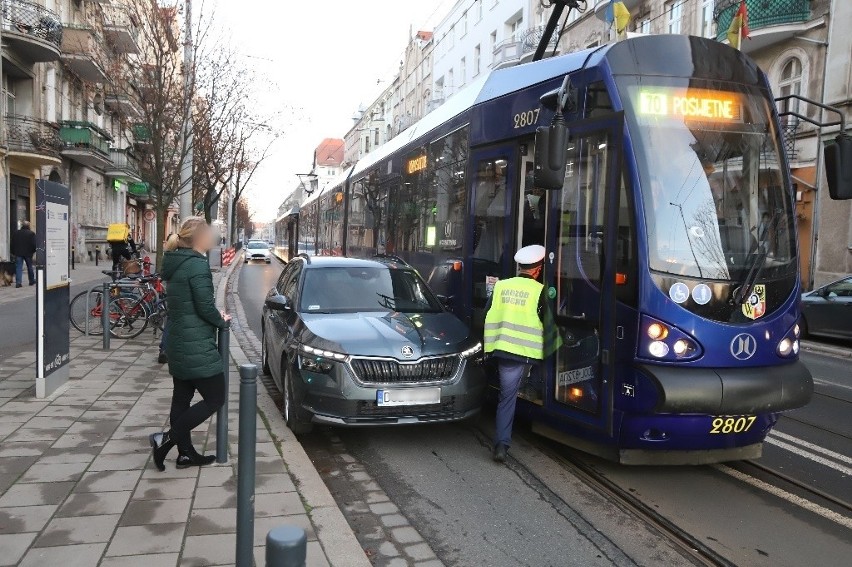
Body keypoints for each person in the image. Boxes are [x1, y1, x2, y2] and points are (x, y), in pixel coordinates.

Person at [149, 218, 231, 470]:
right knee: (216, 398)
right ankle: (165, 440)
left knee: (181, 398)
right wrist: (221, 321)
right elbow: (205, 306)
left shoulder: (176, 262)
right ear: (198, 238)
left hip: (178, 341)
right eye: (208, 234)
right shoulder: (196, 265)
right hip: (196, 344)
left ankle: (185, 454)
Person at [483, 244, 560, 463]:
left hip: (503, 350)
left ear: (521, 267)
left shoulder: (501, 286)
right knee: (550, 358)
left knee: (506, 399)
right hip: (527, 352)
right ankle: (532, 386)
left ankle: (501, 445)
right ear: (538, 269)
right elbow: (549, 328)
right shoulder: (539, 290)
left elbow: (488, 312)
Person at [10, 220, 37, 288]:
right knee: (29, 267)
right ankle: (31, 281)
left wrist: (13, 252)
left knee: (18, 267)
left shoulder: (16, 233)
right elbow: (34, 244)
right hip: (28, 253)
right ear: (28, 226)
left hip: (18, 253)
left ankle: (18, 283)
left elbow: (12, 243)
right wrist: (33, 251)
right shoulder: (31, 233)